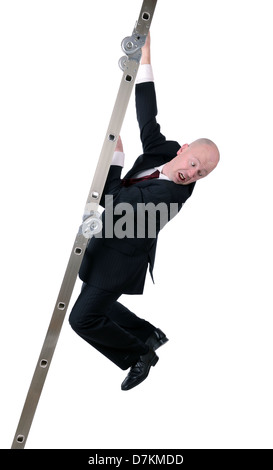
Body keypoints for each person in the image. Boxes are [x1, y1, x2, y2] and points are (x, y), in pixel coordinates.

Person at [69, 33, 220, 391]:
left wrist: (116, 158)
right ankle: (148, 333)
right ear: (182, 150)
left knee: (82, 318)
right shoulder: (164, 151)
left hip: (123, 254)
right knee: (91, 298)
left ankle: (139, 354)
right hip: (109, 239)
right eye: (194, 164)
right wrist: (145, 59)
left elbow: (117, 201)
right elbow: (147, 116)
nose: (192, 173)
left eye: (202, 174)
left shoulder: (172, 195)